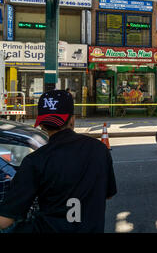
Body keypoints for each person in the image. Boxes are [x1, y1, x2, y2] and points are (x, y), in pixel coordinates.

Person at [0, 90, 117, 233]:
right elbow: (109, 194)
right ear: (72, 120)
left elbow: (4, 221)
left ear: (42, 125)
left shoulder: (35, 161)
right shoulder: (100, 149)